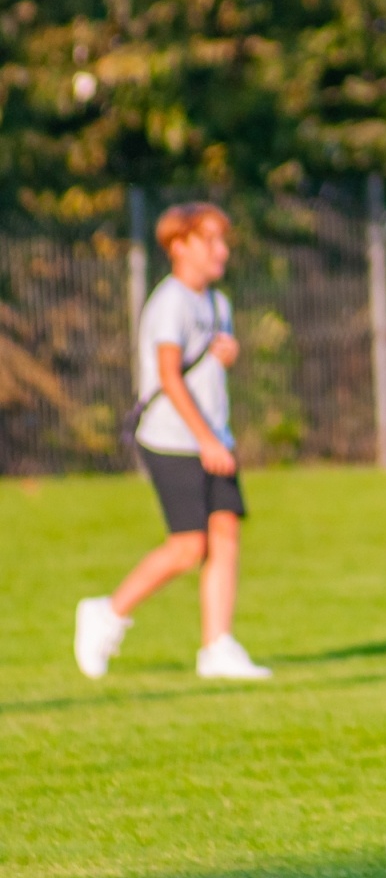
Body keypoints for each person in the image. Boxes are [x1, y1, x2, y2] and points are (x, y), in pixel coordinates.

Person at [75, 202, 270, 680]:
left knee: (225, 535)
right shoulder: (171, 301)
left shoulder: (216, 303)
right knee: (188, 546)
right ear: (179, 246)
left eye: (223, 239)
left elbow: (201, 365)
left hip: (211, 438)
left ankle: (217, 647)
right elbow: (168, 376)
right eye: (211, 240)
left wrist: (225, 355)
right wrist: (206, 440)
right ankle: (106, 612)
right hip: (174, 439)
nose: (222, 250)